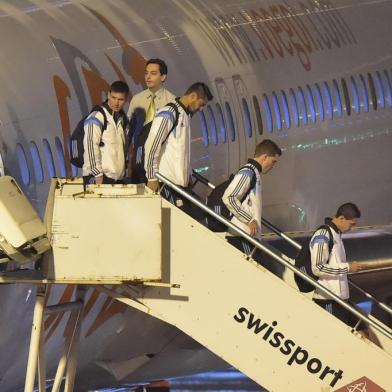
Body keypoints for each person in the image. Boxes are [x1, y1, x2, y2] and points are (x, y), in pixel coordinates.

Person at [144, 82, 213, 215]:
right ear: (193, 96)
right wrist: (152, 178)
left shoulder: (185, 115)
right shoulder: (169, 113)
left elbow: (180, 151)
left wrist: (188, 174)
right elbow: (152, 146)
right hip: (167, 184)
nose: (201, 109)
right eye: (201, 104)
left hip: (180, 187)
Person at [222, 139, 282, 260]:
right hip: (241, 237)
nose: (273, 166)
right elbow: (229, 197)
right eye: (273, 161)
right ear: (264, 157)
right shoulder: (248, 172)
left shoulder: (255, 174)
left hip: (247, 237)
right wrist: (249, 219)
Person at [311, 203, 366, 328]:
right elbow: (317, 268)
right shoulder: (323, 235)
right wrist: (347, 267)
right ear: (341, 218)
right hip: (328, 299)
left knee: (362, 330)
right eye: (351, 224)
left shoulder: (337, 235)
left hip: (341, 299)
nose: (352, 228)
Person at [127, 58, 175, 182]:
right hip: (138, 158)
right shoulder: (137, 100)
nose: (148, 77)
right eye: (146, 73)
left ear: (163, 77)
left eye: (153, 74)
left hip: (160, 161)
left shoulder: (172, 101)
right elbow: (129, 131)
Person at [82, 80, 129, 185]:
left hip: (117, 180)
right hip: (99, 179)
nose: (116, 103)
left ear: (126, 99)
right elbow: (90, 145)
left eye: (120, 99)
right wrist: (98, 175)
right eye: (113, 98)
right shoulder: (97, 117)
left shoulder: (123, 119)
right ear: (108, 94)